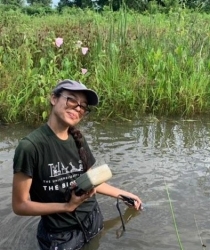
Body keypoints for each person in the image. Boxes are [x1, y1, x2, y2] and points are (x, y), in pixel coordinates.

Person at [12, 79, 142, 250]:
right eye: (72, 100)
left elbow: (91, 180)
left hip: (93, 220)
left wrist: (125, 195)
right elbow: (19, 205)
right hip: (60, 236)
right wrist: (67, 207)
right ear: (54, 98)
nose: (78, 108)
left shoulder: (78, 139)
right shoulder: (30, 147)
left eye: (83, 106)